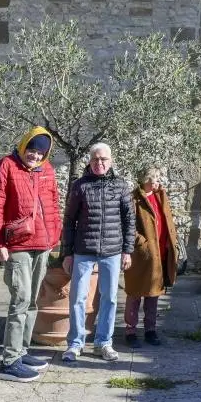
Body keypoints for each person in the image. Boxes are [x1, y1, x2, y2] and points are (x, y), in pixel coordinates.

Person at [0, 125, 62, 382]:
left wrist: (54, 237)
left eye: (40, 153)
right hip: (17, 245)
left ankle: (21, 351)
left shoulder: (47, 170)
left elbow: (53, 204)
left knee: (33, 301)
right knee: (19, 300)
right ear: (23, 146)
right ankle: (9, 361)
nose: (34, 156)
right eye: (31, 150)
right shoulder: (6, 166)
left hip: (42, 244)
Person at [61, 142, 135, 363]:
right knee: (77, 298)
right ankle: (75, 344)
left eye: (103, 159)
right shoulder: (79, 186)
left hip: (112, 251)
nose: (99, 163)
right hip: (83, 250)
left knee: (110, 298)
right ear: (90, 161)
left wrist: (127, 251)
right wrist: (67, 253)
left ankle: (104, 342)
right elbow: (69, 221)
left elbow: (129, 220)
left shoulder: (121, 186)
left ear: (110, 161)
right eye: (95, 159)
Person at [123, 163, 178, 348]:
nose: (158, 181)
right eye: (155, 178)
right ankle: (131, 331)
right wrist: (142, 243)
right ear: (146, 179)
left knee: (154, 293)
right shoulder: (133, 199)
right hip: (142, 254)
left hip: (160, 252)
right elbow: (127, 225)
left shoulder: (160, 196)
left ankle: (150, 330)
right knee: (135, 293)